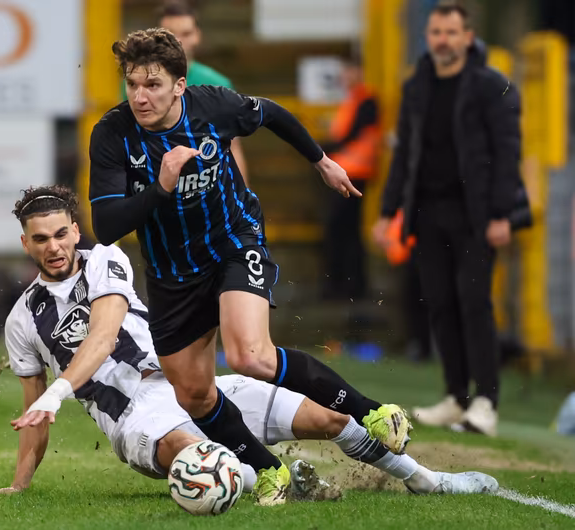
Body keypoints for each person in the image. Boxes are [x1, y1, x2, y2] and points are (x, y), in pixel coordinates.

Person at [0, 186, 498, 500]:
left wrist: (58, 394)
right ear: (25, 244)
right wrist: (19, 483)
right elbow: (32, 415)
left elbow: (102, 337)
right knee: (206, 463)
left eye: (61, 234)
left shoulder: (105, 259)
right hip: (135, 420)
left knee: (331, 420)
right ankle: (283, 483)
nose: (54, 247)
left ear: (74, 230)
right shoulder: (23, 320)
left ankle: (426, 479)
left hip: (191, 384)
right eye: (40, 239)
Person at [88, 27, 411, 504]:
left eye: (152, 85)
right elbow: (107, 226)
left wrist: (321, 161)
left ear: (180, 85)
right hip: (173, 273)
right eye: (133, 84)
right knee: (193, 396)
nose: (140, 96)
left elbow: (272, 113)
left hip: (233, 242)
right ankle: (268, 470)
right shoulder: (112, 134)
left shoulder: (213, 105)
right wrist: (161, 186)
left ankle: (372, 413)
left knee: (250, 356)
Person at [372, 3, 522, 437]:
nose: (442, 39)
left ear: (468, 37)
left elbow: (507, 154)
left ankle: (486, 402)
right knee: (440, 305)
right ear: (428, 37)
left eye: (451, 32)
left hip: (476, 216)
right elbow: (404, 154)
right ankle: (456, 396)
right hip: (427, 213)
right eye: (436, 31)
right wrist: (388, 212)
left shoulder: (492, 85)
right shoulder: (416, 85)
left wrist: (501, 214)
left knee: (475, 305)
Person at [156, 0, 250, 184]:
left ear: (197, 36)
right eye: (170, 34)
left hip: (208, 187)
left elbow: (233, 147)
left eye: (186, 33)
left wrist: (245, 201)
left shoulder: (218, 84)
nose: (178, 41)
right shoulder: (137, 85)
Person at [321, 56, 380, 300]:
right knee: (345, 230)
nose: (345, 76)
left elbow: (347, 136)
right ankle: (348, 286)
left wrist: (320, 150)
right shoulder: (353, 100)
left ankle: (348, 286)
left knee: (343, 230)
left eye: (349, 71)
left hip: (353, 174)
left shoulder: (365, 100)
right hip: (345, 172)